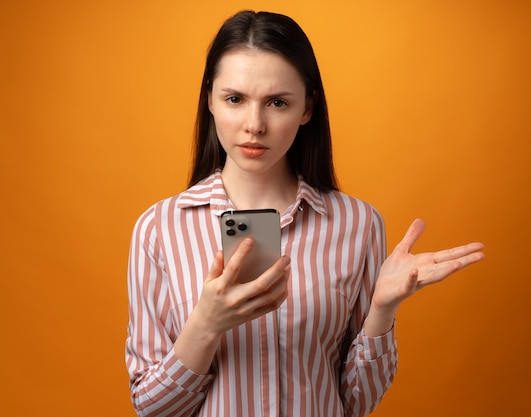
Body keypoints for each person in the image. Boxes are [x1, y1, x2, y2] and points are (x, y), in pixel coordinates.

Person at [125, 10, 484, 417]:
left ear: (308, 107)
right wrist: (204, 324)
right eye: (235, 99)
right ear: (210, 99)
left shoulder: (359, 224)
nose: (254, 125)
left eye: (277, 102)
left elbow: (356, 402)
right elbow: (151, 408)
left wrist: (382, 311)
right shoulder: (159, 228)